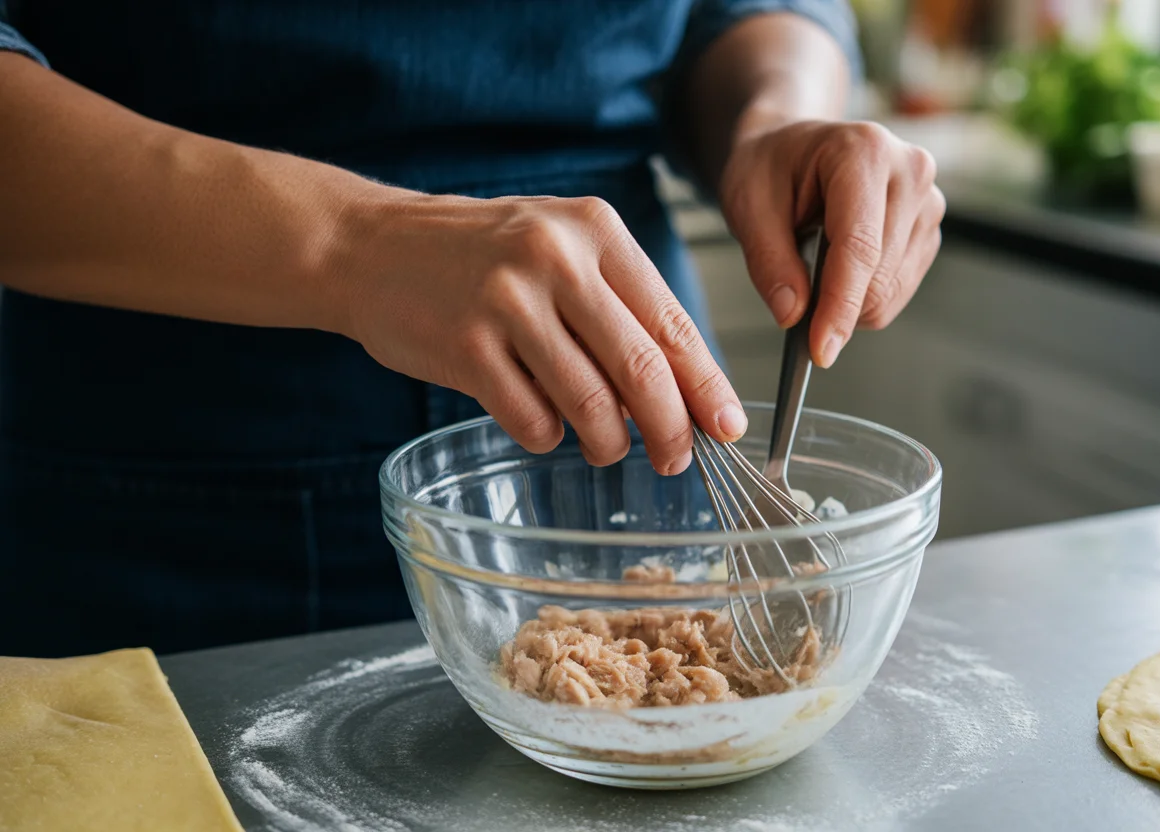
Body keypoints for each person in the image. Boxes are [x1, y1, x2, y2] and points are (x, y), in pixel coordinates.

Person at [0, 1, 945, 657]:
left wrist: (776, 116)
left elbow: (730, 11)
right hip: (170, 496)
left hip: (650, 455)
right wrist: (353, 243)